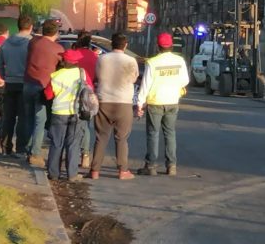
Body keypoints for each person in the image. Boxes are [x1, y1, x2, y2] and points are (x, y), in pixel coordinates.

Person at [136, 33, 189, 177]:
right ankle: (171, 166)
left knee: (153, 133)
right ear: (171, 46)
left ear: (158, 46)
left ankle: (151, 166)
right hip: (172, 100)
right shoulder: (180, 61)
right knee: (170, 133)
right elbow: (185, 80)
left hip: (155, 102)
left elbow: (145, 85)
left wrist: (139, 103)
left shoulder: (152, 62)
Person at [89, 33, 139, 181]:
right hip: (123, 102)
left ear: (112, 45)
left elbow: (97, 76)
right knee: (122, 138)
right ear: (125, 45)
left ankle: (94, 171)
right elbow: (134, 78)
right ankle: (123, 171)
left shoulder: (102, 59)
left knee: (101, 137)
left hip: (104, 100)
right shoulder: (131, 61)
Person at [23, 19, 65, 166]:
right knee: (40, 120)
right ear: (56, 32)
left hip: (28, 83)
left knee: (28, 118)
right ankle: (35, 153)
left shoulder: (33, 43)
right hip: (43, 87)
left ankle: (26, 148)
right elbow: (62, 66)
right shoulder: (58, 49)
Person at [0, 15, 34, 157]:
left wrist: (5, 76)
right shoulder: (31, 43)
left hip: (10, 83)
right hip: (25, 83)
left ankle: (5, 147)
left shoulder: (6, 43)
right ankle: (21, 148)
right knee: (23, 117)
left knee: (8, 116)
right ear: (30, 27)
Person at [43, 49, 83, 181]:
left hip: (59, 113)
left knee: (56, 143)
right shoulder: (82, 74)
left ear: (65, 61)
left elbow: (48, 95)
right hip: (76, 113)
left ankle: (54, 173)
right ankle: (72, 174)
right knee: (73, 144)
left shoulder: (55, 75)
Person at [67, 31, 99, 169]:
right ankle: (85, 155)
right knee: (85, 124)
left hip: (71, 90)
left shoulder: (74, 54)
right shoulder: (94, 56)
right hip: (88, 92)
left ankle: (69, 152)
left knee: (69, 122)